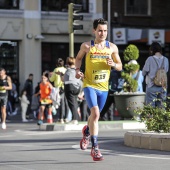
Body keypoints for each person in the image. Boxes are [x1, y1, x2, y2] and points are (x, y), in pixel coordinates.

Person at [75, 18, 122, 161]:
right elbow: (78, 59)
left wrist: (113, 63)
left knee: (95, 116)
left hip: (104, 88)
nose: (103, 33)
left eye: (105, 30)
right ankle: (95, 148)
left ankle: (87, 131)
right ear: (94, 31)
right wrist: (78, 70)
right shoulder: (86, 46)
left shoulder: (112, 47)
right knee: (95, 114)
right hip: (90, 85)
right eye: (100, 30)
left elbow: (120, 66)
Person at [142, 42, 169, 107]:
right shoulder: (165, 59)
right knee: (161, 108)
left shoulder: (150, 59)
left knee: (150, 108)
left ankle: (151, 117)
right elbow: (166, 71)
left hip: (151, 85)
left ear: (152, 50)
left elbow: (143, 72)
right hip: (163, 86)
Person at [49, 58, 69, 123]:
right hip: (66, 87)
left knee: (61, 103)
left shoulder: (56, 70)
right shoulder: (66, 70)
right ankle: (66, 117)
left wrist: (50, 76)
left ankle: (61, 118)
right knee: (66, 103)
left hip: (59, 88)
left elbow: (51, 79)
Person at [63, 57, 81, 125]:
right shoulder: (77, 70)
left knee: (71, 104)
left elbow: (63, 79)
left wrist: (60, 75)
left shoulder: (68, 70)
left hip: (69, 86)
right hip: (77, 87)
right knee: (75, 103)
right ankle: (76, 118)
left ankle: (74, 119)